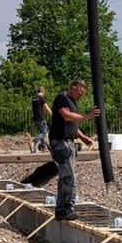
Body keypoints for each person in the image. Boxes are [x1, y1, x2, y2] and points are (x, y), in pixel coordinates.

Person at [48, 79, 100, 221]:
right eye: (80, 92)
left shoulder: (72, 102)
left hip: (68, 143)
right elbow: (67, 115)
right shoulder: (62, 99)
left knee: (67, 176)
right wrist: (88, 116)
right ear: (73, 87)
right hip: (60, 143)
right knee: (68, 176)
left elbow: (72, 125)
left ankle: (62, 209)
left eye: (83, 93)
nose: (81, 95)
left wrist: (82, 137)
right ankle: (65, 209)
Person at [29, 86, 52, 153]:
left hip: (35, 118)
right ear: (43, 91)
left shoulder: (33, 98)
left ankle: (43, 148)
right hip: (41, 118)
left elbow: (32, 109)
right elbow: (46, 108)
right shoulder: (41, 97)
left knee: (42, 132)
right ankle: (33, 141)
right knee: (44, 133)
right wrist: (53, 115)